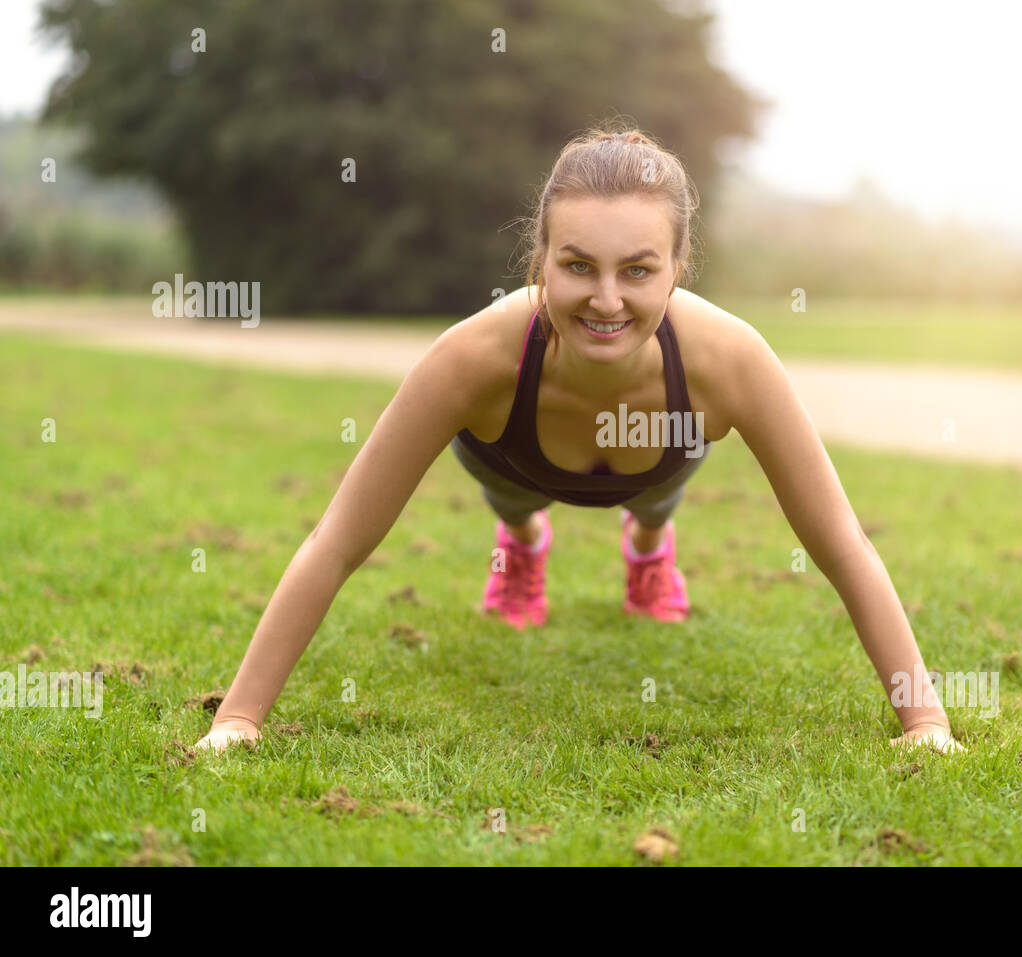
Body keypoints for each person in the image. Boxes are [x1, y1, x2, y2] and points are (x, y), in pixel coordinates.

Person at [195, 127, 964, 757]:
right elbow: (337, 540)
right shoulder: (472, 358)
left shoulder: (731, 360)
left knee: (657, 500)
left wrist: (926, 723)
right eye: (576, 266)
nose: (605, 299)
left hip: (658, 460)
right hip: (514, 457)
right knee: (519, 502)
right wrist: (239, 717)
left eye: (637, 270)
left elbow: (841, 543)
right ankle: (524, 544)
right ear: (541, 260)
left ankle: (649, 551)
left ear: (677, 270)